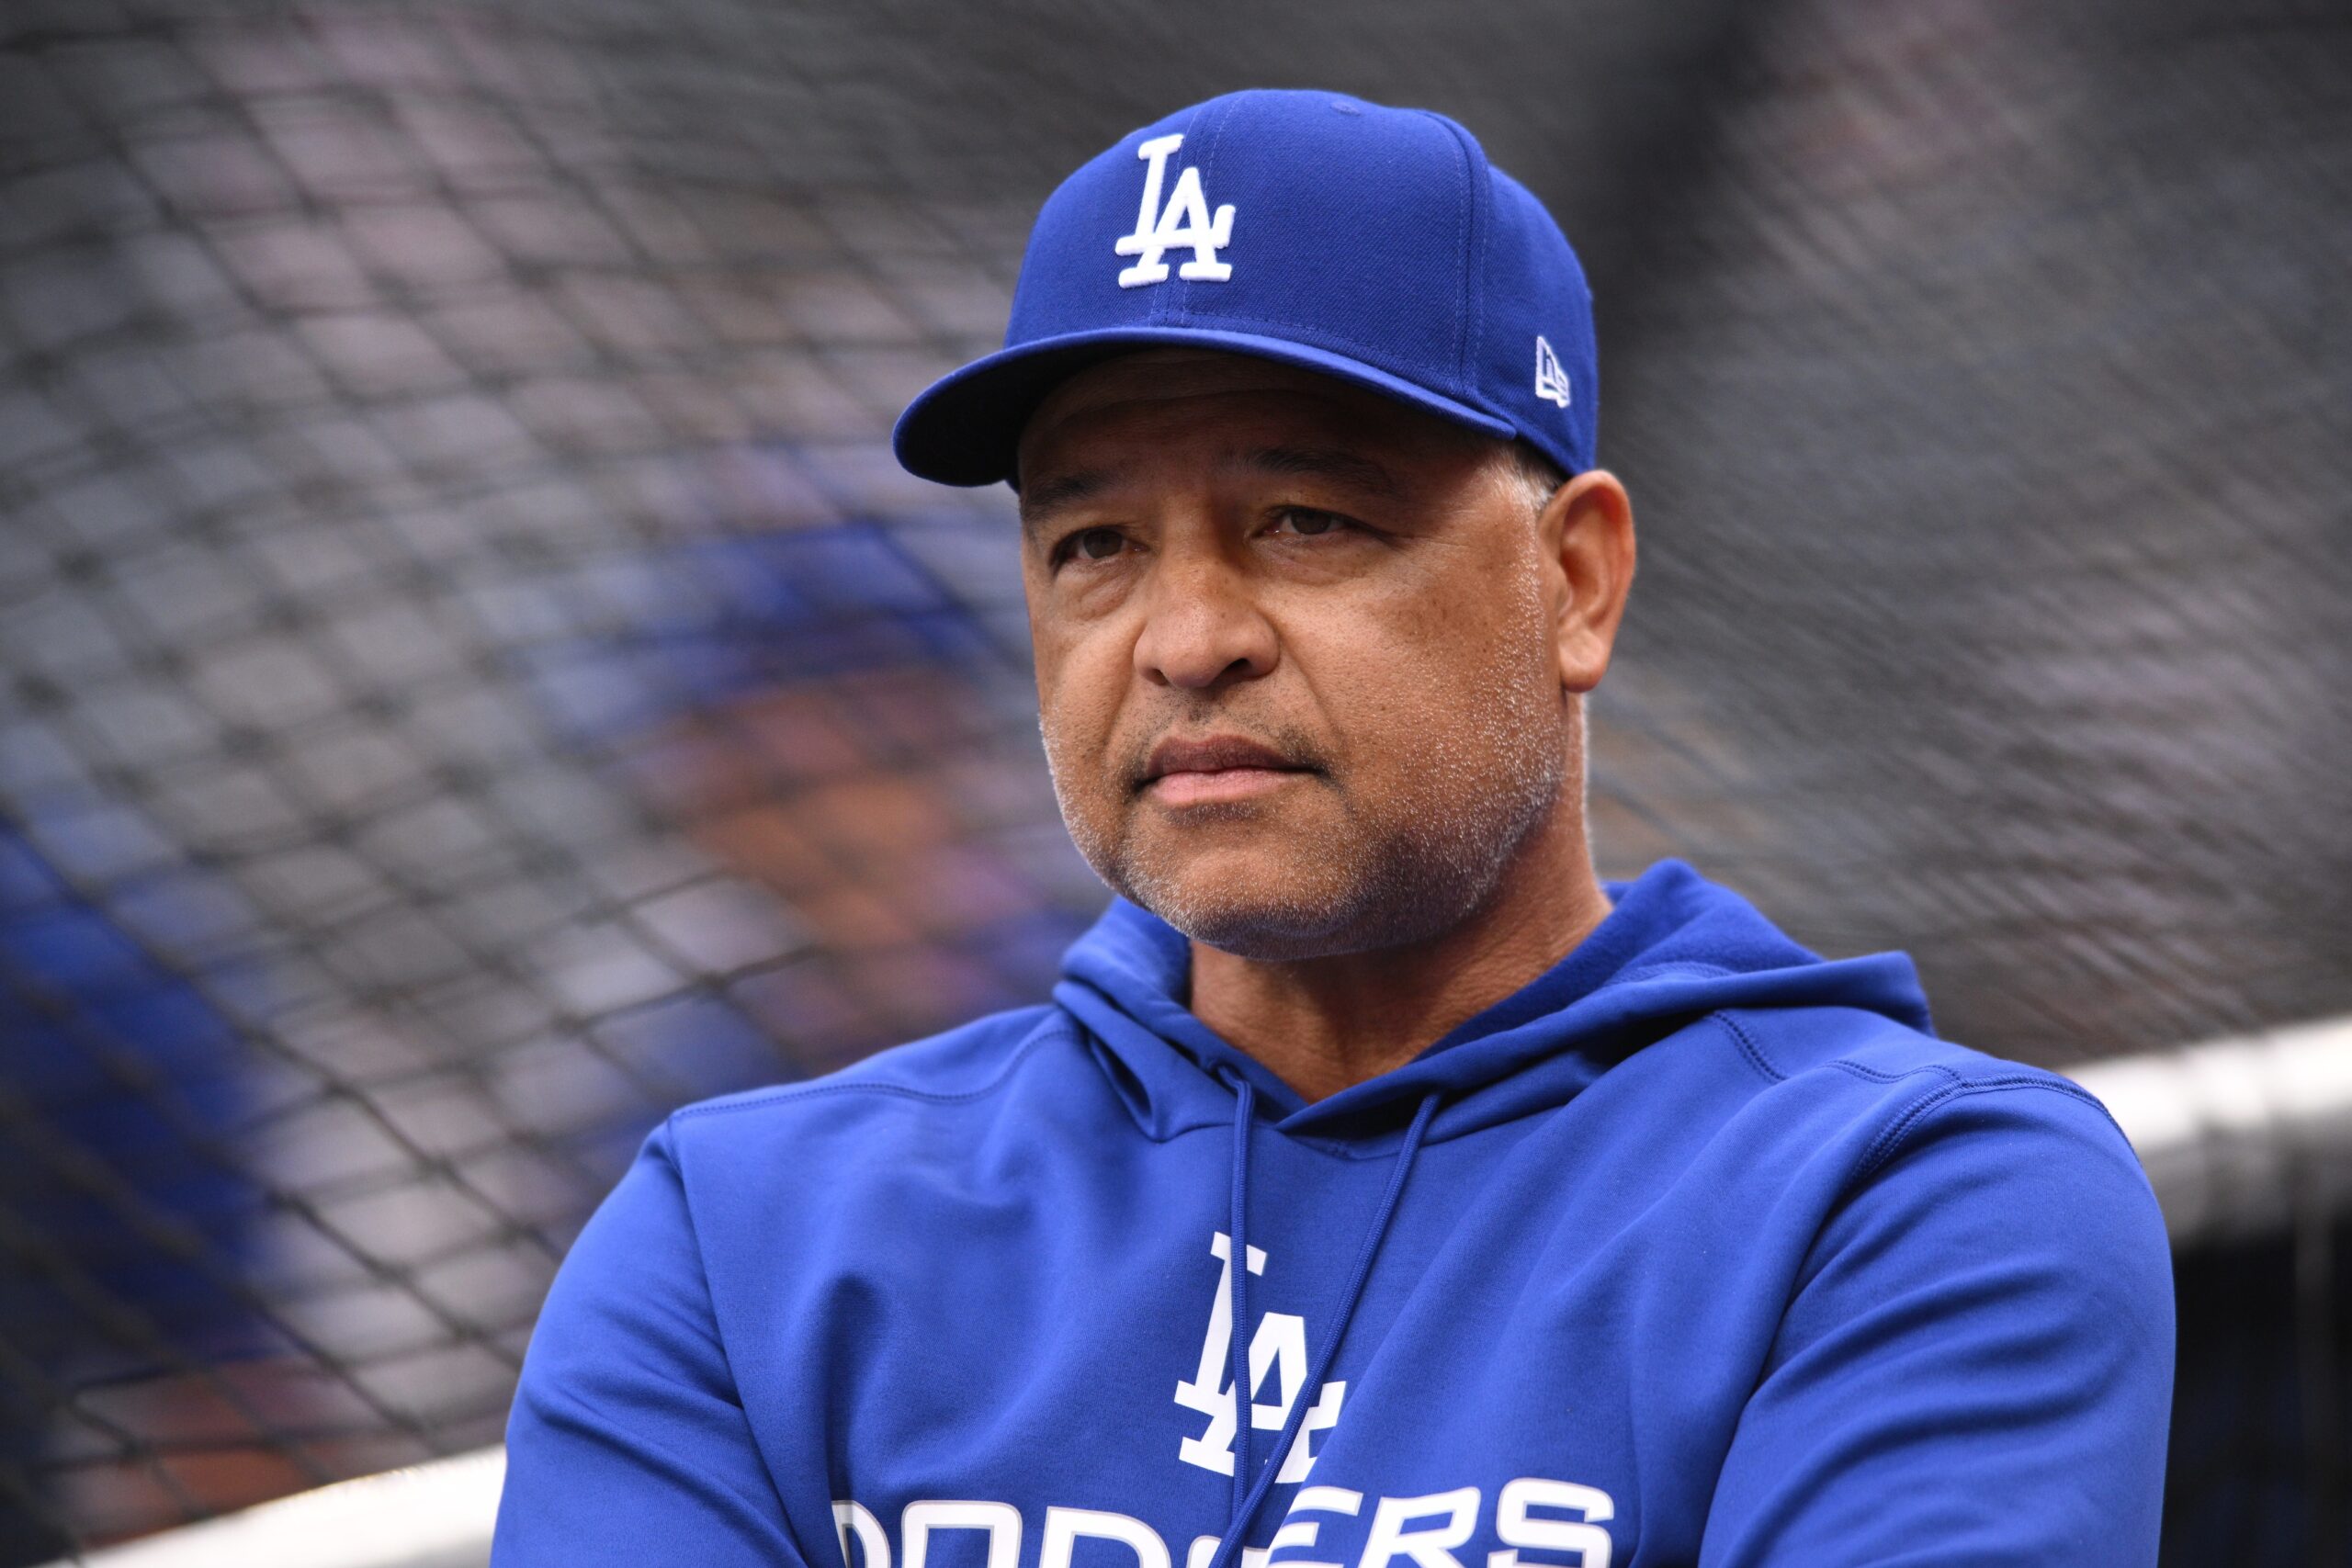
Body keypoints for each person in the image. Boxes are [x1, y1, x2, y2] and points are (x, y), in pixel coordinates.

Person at [492, 90, 2174, 1566]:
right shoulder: (742, 1232)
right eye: (1094, 544)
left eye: (1304, 520)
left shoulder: (1901, 1203)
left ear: (1573, 582)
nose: (1183, 634)